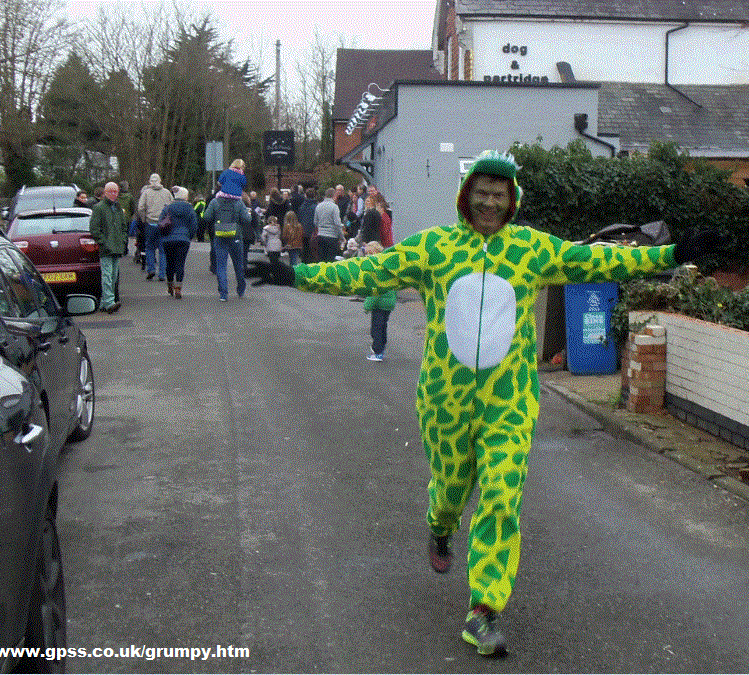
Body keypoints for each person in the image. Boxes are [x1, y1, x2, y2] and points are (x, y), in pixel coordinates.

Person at [244, 150, 716, 657]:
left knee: (501, 494)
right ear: (466, 197)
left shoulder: (532, 250)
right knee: (450, 491)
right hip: (444, 400)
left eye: (499, 195)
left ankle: (484, 608)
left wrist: (669, 255)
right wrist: (297, 276)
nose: (490, 203)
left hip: (508, 400)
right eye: (482, 193)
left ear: (512, 201)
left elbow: (597, 260)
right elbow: (371, 272)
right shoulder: (435, 249)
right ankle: (440, 525)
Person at [202, 189, 252, 301]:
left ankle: (223, 293)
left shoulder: (215, 202)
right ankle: (241, 289)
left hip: (220, 235)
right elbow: (247, 219)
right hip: (236, 236)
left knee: (221, 266)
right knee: (238, 264)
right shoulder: (239, 202)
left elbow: (206, 217)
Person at [89, 182, 128, 314]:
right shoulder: (99, 208)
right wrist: (104, 242)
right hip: (106, 249)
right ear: (105, 192)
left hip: (117, 247)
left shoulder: (118, 208)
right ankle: (110, 302)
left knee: (113, 276)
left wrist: (123, 241)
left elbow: (123, 227)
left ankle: (104, 303)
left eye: (115, 191)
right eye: (110, 191)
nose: (113, 194)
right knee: (107, 275)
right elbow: (94, 229)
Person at [158, 186, 198, 298]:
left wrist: (163, 235)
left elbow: (160, 222)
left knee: (169, 262)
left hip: (168, 239)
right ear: (185, 197)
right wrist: (189, 236)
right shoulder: (189, 209)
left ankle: (170, 284)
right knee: (180, 263)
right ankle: (178, 288)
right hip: (183, 240)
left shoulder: (168, 208)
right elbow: (194, 225)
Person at [360, 241, 395, 362]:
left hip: (379, 304)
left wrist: (367, 306)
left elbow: (374, 291)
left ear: (374, 252)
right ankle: (382, 347)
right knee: (383, 326)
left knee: (376, 329)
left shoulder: (375, 269)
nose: (367, 256)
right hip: (388, 303)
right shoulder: (387, 265)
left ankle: (377, 351)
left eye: (369, 253)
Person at [138, 173, 174, 281]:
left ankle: (151, 269)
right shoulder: (167, 193)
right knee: (163, 250)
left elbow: (140, 208)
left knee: (149, 247)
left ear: (150, 181)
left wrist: (144, 219)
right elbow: (172, 206)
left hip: (150, 223)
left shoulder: (146, 193)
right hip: (163, 224)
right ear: (160, 180)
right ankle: (162, 274)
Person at [314, 187, 345, 262]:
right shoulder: (334, 207)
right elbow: (337, 223)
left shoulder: (318, 206)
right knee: (330, 261)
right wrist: (342, 237)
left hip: (321, 235)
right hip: (332, 237)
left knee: (321, 260)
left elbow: (315, 222)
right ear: (334, 196)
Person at [298, 186, 319, 263]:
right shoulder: (316, 207)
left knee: (304, 251)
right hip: (313, 232)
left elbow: (299, 218)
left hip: (303, 231)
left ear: (306, 195)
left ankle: (304, 266)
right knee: (312, 253)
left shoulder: (302, 206)